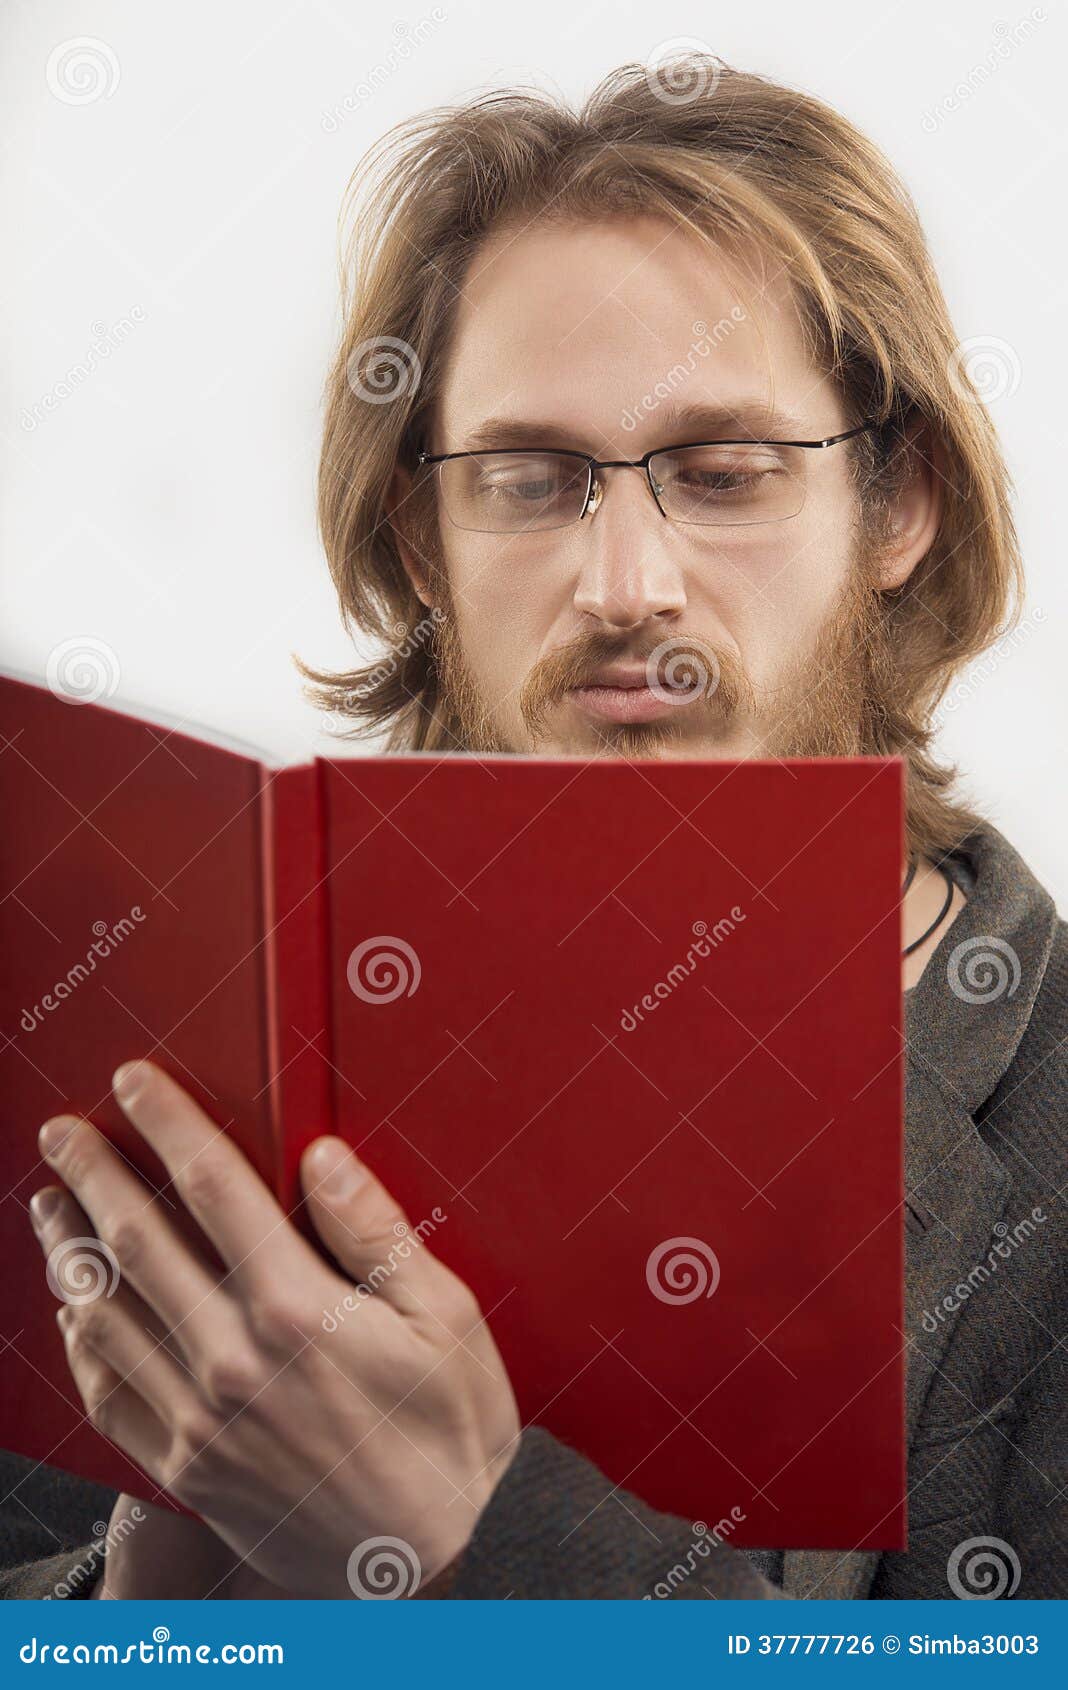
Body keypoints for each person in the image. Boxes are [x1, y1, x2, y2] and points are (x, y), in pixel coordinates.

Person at [4, 55, 1064, 1601]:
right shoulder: (165, 1041)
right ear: (418, 543)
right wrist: (162, 1579)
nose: (625, 582)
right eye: (530, 478)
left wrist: (472, 1529)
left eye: (722, 473)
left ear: (896, 506)